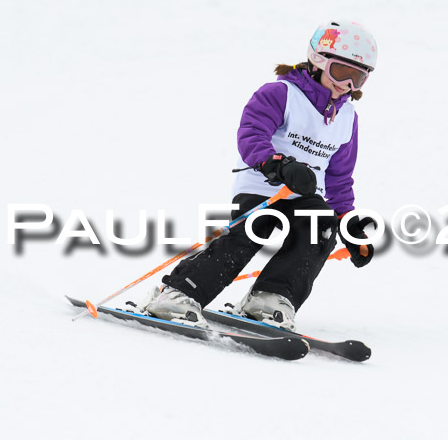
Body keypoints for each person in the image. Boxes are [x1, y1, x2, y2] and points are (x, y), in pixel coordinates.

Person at [140, 20, 379, 331]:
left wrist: (348, 221)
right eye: (340, 73)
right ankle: (178, 294)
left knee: (321, 227)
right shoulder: (281, 93)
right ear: (318, 61)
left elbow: (339, 178)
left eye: (357, 78)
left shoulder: (347, 118)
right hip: (263, 185)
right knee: (250, 233)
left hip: (305, 194)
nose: (347, 85)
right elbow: (252, 134)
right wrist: (277, 165)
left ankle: (270, 298)